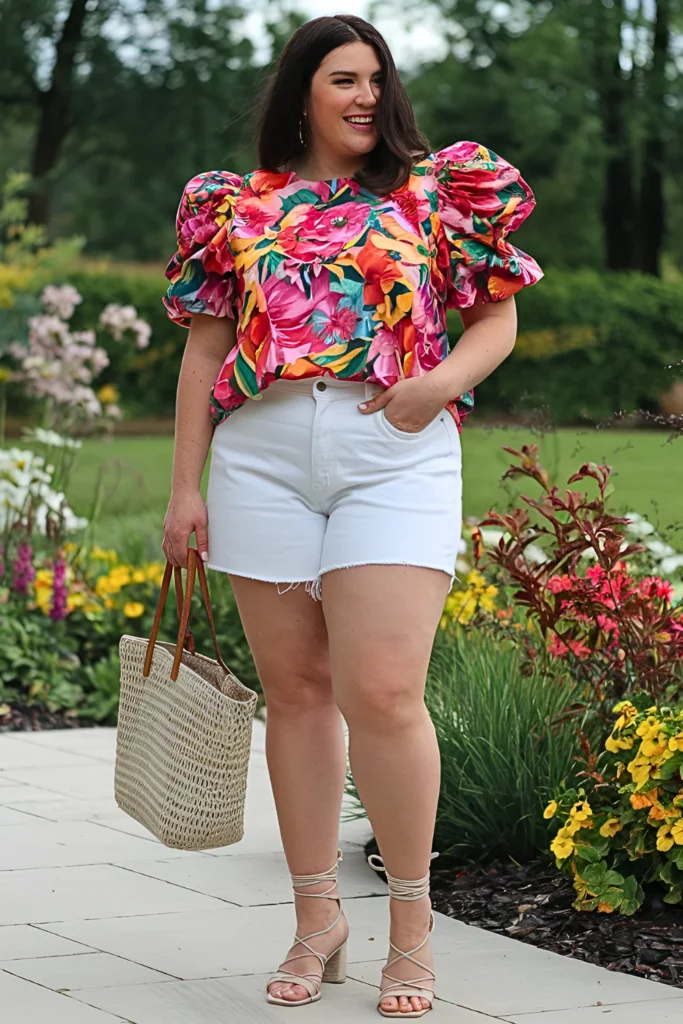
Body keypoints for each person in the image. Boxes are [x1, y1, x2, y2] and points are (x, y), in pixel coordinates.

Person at [161, 13, 543, 1018]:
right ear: (301, 93)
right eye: (343, 78)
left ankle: (410, 933)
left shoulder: (434, 194)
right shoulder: (235, 205)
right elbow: (205, 352)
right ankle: (315, 918)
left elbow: (495, 313)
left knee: (381, 690)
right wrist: (184, 488)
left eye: (376, 76)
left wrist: (439, 385)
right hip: (261, 455)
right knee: (295, 691)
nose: (366, 95)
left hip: (394, 452)